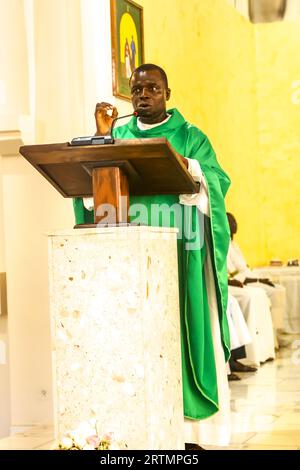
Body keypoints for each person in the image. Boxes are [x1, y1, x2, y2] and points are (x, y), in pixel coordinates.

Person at [73, 64, 231, 447]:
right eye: (137, 89)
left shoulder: (191, 137)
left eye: (152, 89)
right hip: (127, 257)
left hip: (181, 249)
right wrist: (101, 137)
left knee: (180, 329)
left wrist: (187, 166)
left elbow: (215, 182)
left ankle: (187, 427)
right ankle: (132, 422)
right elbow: (91, 186)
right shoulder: (117, 135)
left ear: (167, 94)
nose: (144, 95)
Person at [227, 212, 286, 348]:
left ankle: (276, 333)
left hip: (249, 276)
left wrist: (260, 278)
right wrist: (257, 280)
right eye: (232, 223)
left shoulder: (234, 244)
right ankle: (272, 339)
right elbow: (235, 274)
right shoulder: (226, 246)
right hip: (243, 280)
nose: (235, 225)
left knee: (279, 289)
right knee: (271, 293)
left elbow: (245, 267)